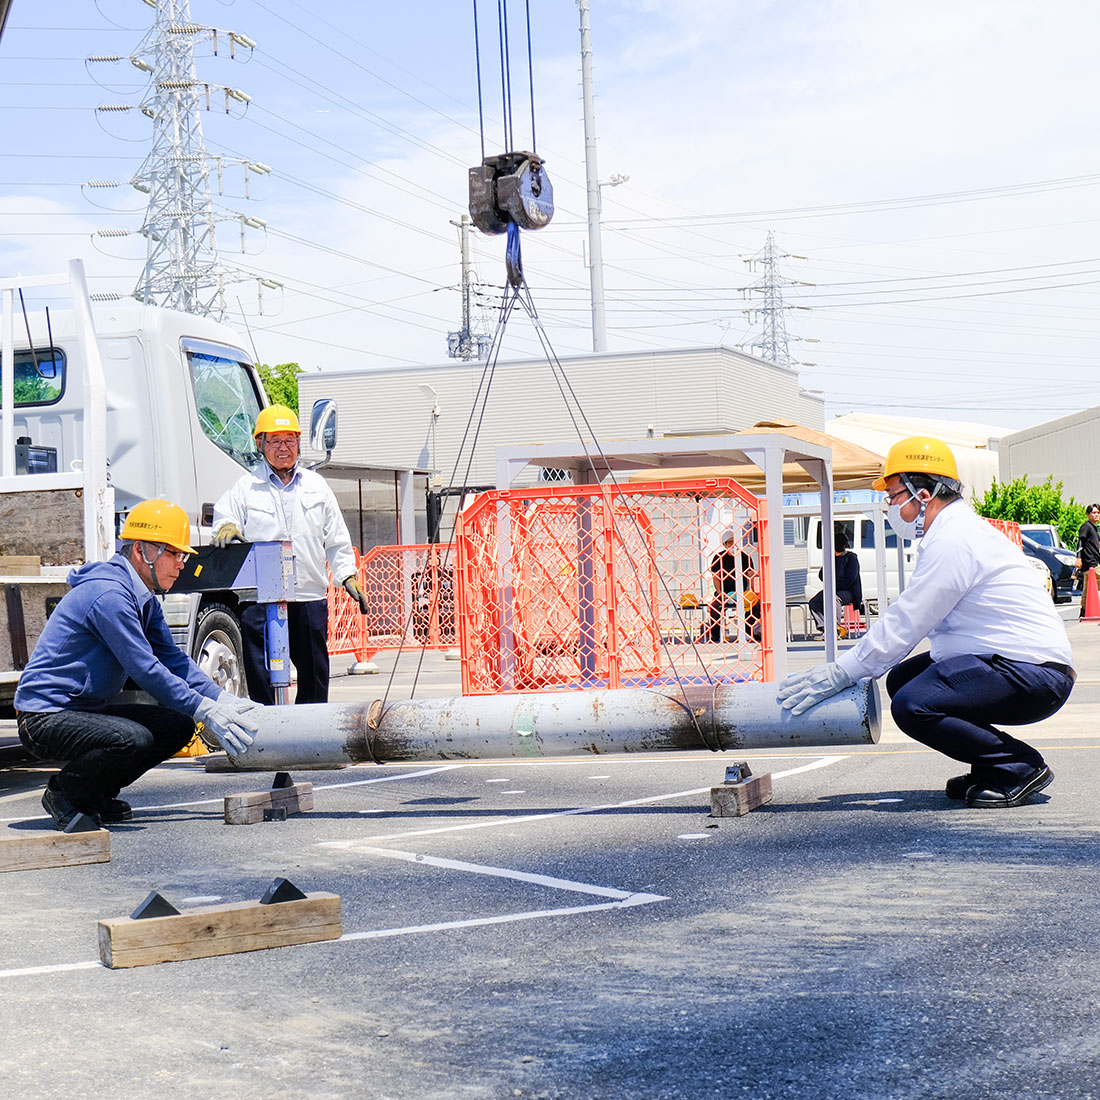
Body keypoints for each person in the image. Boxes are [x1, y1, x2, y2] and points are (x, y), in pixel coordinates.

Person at [777, 436, 1075, 809]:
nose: (889, 506)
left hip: (1030, 675)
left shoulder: (955, 539)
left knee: (914, 705)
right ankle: (989, 765)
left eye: (893, 495)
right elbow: (912, 617)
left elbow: (909, 619)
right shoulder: (953, 533)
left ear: (923, 493)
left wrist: (843, 671)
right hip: (1013, 663)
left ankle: (1017, 765)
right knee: (903, 680)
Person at [14, 499, 261, 831]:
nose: (182, 565)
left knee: (177, 726)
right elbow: (146, 669)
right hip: (44, 718)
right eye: (174, 554)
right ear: (144, 550)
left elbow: (174, 661)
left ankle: (95, 794)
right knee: (131, 739)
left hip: (84, 711)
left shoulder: (142, 597)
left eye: (183, 555)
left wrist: (223, 701)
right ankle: (66, 793)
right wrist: (204, 708)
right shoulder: (110, 596)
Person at [212, 404, 368, 704]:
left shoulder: (317, 486)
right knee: (258, 669)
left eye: (289, 440)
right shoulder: (245, 488)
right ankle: (268, 729)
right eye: (274, 441)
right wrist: (228, 526)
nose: (283, 448)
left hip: (308, 595)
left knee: (314, 670)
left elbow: (336, 537)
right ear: (260, 444)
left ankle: (310, 732)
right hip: (259, 597)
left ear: (298, 442)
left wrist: (348, 576)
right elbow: (224, 517)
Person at [700, 527, 759, 643]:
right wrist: (720, 592)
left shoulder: (744, 556)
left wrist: (753, 591)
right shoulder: (718, 557)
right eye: (729, 542)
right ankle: (715, 635)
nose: (732, 545)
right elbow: (716, 577)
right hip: (725, 592)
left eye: (734, 541)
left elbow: (751, 574)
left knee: (755, 606)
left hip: (742, 592)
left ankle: (748, 632)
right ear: (724, 544)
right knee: (715, 606)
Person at [808, 531, 863, 634]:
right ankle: (824, 626)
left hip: (848, 591)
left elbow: (851, 579)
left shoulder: (851, 558)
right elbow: (822, 575)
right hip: (832, 589)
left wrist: (834, 588)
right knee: (814, 602)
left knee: (834, 599)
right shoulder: (832, 559)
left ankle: (835, 627)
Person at [1075, 503, 1100, 618]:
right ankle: (1084, 610)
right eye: (1094, 512)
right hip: (1090, 563)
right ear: (1088, 514)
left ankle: (1084, 610)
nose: (1096, 515)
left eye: (1098, 513)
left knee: (1088, 587)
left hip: (1095, 562)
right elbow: (1080, 542)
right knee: (1088, 586)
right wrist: (1078, 558)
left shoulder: (1094, 528)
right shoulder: (1086, 527)